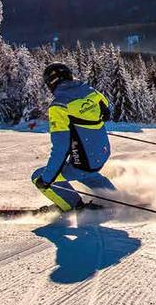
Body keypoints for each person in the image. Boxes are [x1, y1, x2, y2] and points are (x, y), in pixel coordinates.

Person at [32, 63, 115, 212]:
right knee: (86, 172)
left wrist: (47, 179)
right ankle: (116, 198)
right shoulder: (91, 91)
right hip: (102, 153)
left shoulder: (59, 106)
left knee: (38, 176)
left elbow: (60, 148)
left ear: (50, 84)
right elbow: (106, 110)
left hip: (85, 161)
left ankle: (73, 206)